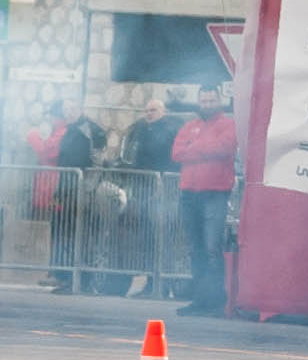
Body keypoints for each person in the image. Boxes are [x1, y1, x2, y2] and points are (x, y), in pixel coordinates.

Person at [170, 85, 237, 315]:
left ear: (219, 100)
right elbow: (176, 153)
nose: (207, 105)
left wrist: (194, 148)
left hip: (215, 193)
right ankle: (201, 299)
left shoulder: (228, 125)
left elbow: (224, 148)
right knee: (196, 248)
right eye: (204, 101)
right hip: (190, 193)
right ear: (199, 102)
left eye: (211, 100)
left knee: (211, 247)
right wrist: (204, 150)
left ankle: (216, 300)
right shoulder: (189, 126)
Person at [118, 94, 184, 296]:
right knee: (147, 239)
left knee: (163, 237)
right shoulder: (140, 130)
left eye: (153, 110)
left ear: (163, 111)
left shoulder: (172, 129)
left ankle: (163, 283)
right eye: (147, 110)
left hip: (165, 188)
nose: (149, 114)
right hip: (144, 189)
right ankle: (150, 281)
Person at [47, 97, 105, 293]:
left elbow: (97, 163)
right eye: (66, 109)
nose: (69, 112)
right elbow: (64, 164)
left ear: (80, 109)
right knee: (67, 236)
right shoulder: (69, 131)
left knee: (83, 238)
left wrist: (88, 190)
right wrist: (58, 193)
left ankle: (85, 282)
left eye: (73, 108)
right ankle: (69, 278)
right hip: (68, 191)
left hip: (83, 192)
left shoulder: (92, 130)